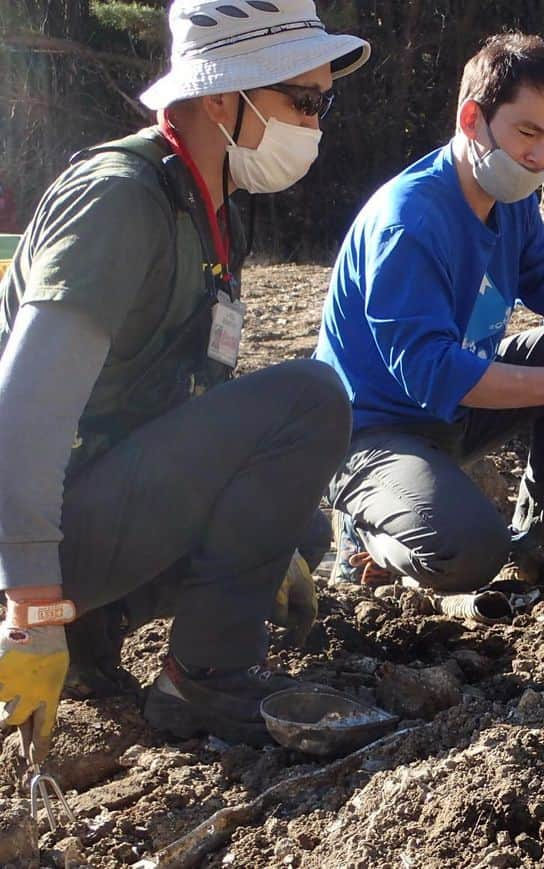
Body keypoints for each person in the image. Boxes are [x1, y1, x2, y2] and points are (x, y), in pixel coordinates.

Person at [0, 0, 370, 753]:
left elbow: (182, 399)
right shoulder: (120, 201)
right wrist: (32, 610)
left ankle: (99, 633)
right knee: (311, 399)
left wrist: (257, 541)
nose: (318, 124)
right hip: (27, 534)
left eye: (323, 103)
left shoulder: (210, 207)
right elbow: (20, 424)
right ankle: (202, 676)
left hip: (86, 504)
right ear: (217, 95)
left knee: (297, 519)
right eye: (303, 101)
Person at [316, 34, 544, 593]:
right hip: (375, 427)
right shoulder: (409, 222)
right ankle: (365, 531)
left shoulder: (510, 196)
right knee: (469, 550)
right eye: (526, 132)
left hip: (455, 408)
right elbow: (431, 371)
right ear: (472, 119)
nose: (539, 156)